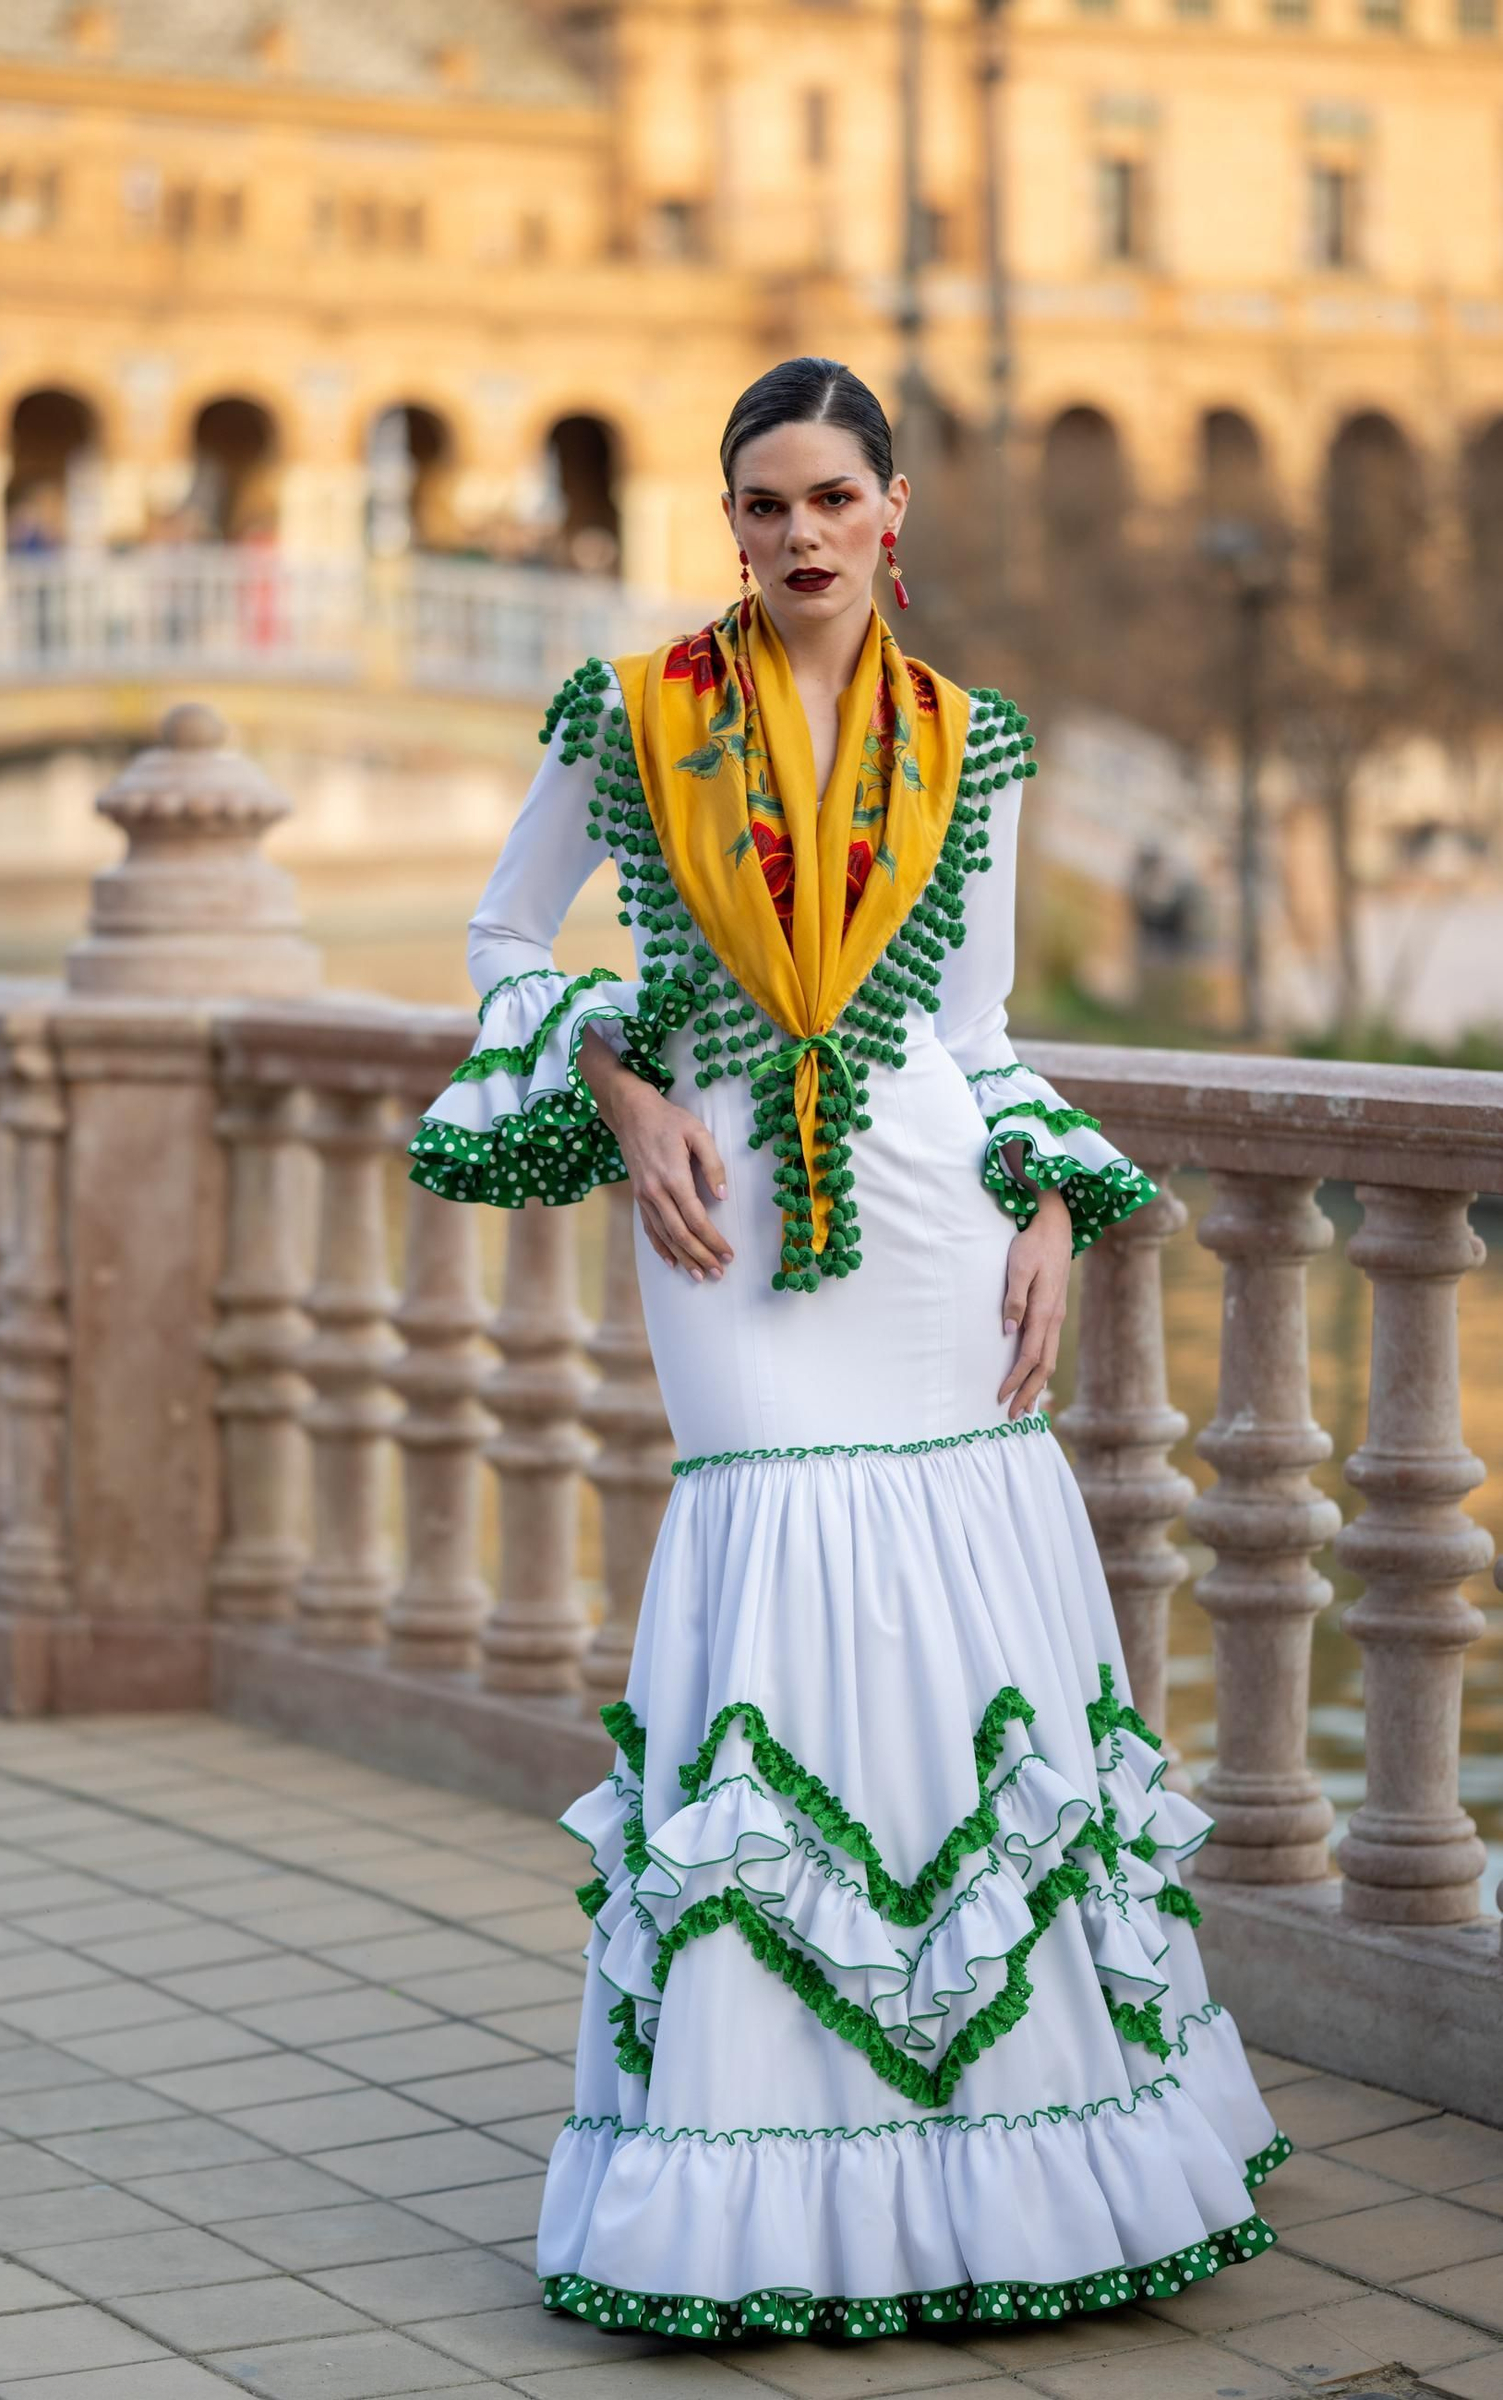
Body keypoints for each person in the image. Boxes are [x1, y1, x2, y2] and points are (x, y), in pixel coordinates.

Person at [409, 357, 1290, 2347]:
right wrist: (624, 1103)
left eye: (828, 497)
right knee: (780, 1600)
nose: (794, 534)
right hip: (715, 1216)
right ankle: (753, 2185)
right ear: (723, 523)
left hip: (927, 1217)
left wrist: (1049, 1197)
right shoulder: (634, 718)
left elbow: (971, 1029)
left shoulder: (966, 745)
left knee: (961, 1624)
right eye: (758, 503)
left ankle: (1016, 2156)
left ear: (895, 512)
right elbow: (502, 940)